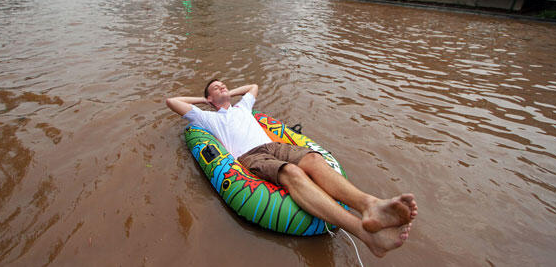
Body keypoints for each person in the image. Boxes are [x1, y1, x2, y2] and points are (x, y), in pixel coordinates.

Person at [166, 80, 418, 258]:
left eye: (224, 85)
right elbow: (171, 100)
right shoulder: (206, 118)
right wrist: (205, 100)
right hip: (249, 157)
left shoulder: (243, 108)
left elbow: (253, 86)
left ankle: (370, 205)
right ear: (209, 99)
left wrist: (227, 91)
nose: (222, 87)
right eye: (215, 88)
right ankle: (366, 234)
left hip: (273, 145)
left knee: (314, 160)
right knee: (292, 173)